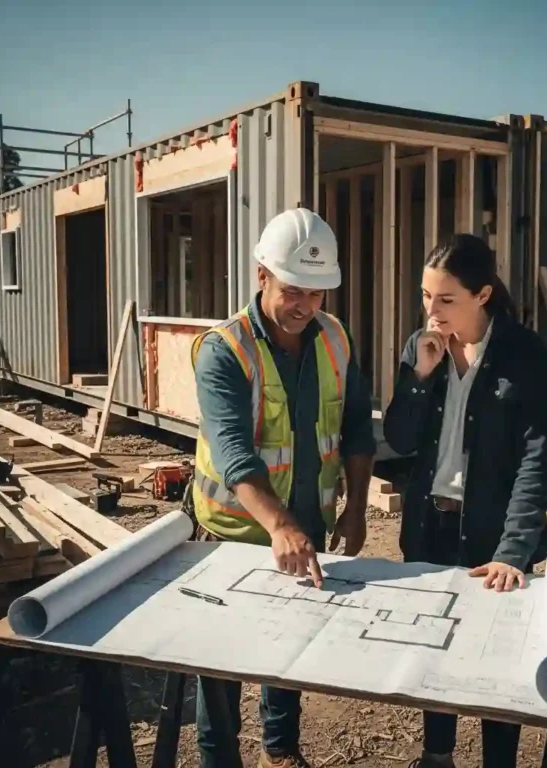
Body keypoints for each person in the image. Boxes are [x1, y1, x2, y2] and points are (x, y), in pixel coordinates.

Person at [383, 234, 547, 768]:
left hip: (493, 536)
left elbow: (537, 457)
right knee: (436, 649)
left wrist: (514, 549)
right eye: (425, 296)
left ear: (482, 295)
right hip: (430, 528)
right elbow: (402, 439)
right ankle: (437, 755)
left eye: (445, 299)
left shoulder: (524, 354)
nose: (432, 311)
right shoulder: (421, 346)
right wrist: (421, 376)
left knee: (495, 661)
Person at [190, 207, 376, 768]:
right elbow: (233, 454)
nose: (305, 307)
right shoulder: (224, 349)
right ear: (261, 274)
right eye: (294, 290)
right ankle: (219, 759)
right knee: (219, 664)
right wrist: (280, 525)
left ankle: (280, 749)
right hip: (231, 535)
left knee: (287, 651)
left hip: (305, 526)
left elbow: (357, 428)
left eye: (317, 294)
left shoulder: (334, 338)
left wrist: (357, 508)